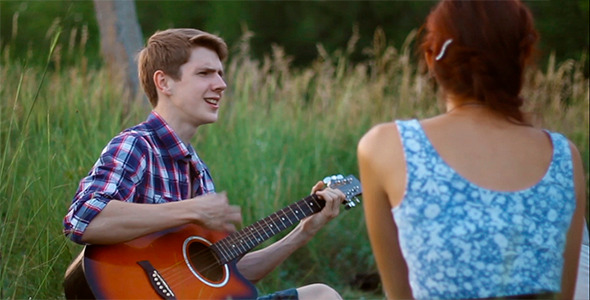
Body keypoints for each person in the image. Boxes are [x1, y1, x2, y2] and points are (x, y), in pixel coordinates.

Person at [63, 28, 345, 300]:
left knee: (322, 296)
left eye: (220, 74)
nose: (221, 84)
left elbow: (226, 277)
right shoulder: (137, 145)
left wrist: (302, 232)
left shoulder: (197, 169)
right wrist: (188, 210)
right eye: (204, 73)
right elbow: (83, 219)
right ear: (164, 82)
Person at [357, 1, 587, 299]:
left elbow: (399, 294)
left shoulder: (386, 146)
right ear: (524, 57)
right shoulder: (564, 156)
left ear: (431, 56)